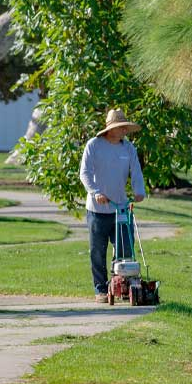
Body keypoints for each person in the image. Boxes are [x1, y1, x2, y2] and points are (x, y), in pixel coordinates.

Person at [79, 109, 146, 302]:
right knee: (98, 251)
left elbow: (136, 172)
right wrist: (96, 192)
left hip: (121, 208)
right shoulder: (94, 145)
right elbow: (84, 173)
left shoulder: (128, 148)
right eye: (121, 127)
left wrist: (139, 190)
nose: (125, 129)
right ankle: (100, 290)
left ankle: (123, 286)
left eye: (125, 126)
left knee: (126, 249)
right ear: (111, 129)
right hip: (97, 209)